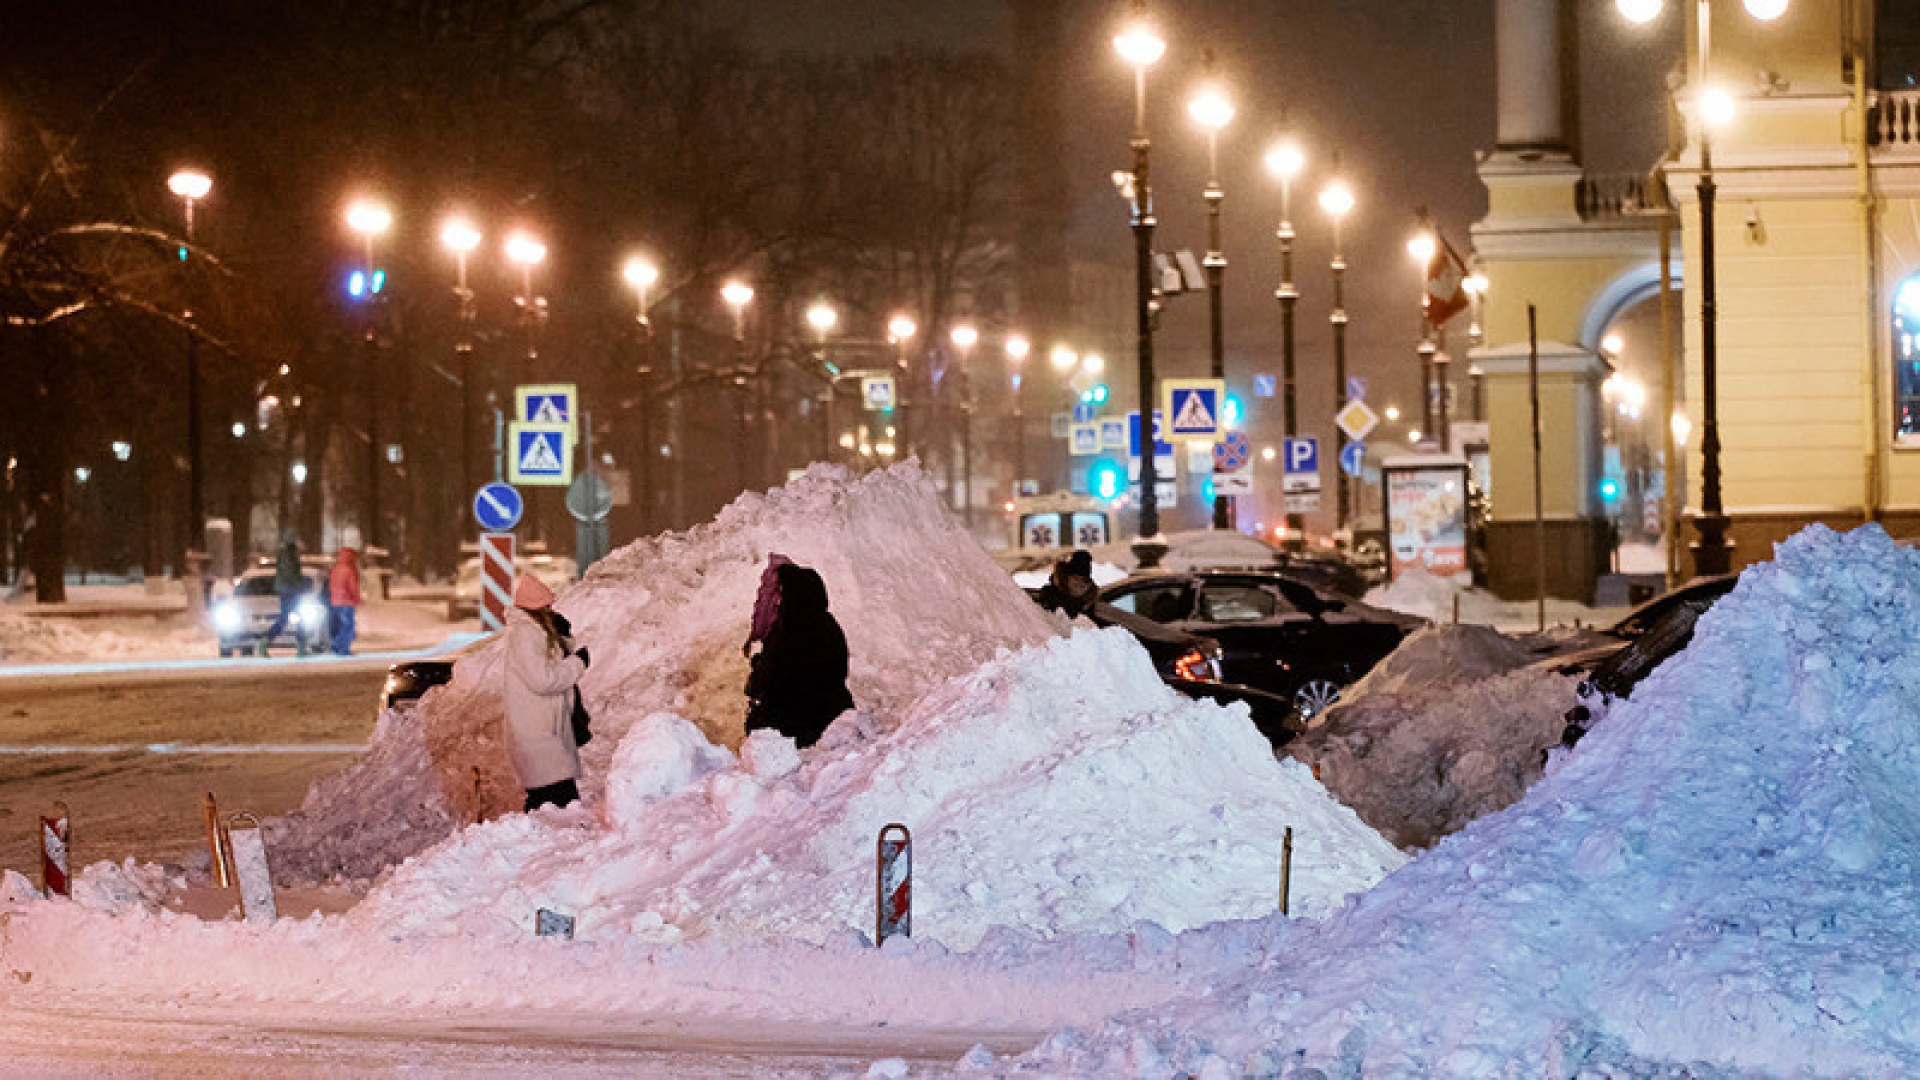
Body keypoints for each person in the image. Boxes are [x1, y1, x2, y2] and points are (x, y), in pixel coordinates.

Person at [503, 573, 590, 811]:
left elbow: (551, 662)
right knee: (556, 804)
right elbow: (544, 680)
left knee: (552, 804)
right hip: (539, 736)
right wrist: (578, 663)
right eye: (547, 606)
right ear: (537, 609)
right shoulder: (526, 636)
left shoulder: (534, 633)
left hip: (545, 733)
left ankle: (538, 842)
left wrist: (565, 639)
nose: (552, 610)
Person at [744, 562, 853, 749]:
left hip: (791, 728)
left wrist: (756, 665)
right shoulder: (829, 625)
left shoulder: (784, 633)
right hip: (832, 716)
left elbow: (761, 684)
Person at [260, 539, 303, 652]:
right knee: (298, 618)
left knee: (287, 619)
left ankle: (265, 641)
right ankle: (302, 646)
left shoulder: (284, 560)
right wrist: (299, 587)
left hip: (287, 592)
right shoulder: (291, 561)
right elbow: (293, 577)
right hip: (291, 593)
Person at [1035, 549, 1099, 618]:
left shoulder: (1089, 603)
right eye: (1075, 578)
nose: (1080, 583)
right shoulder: (1050, 594)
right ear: (1066, 578)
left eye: (1084, 580)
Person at [327, 547, 361, 655]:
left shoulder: (335, 569)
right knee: (347, 627)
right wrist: (356, 599)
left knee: (339, 626)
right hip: (346, 602)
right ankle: (343, 648)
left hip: (335, 602)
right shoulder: (348, 570)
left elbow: (331, 585)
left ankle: (336, 646)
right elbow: (353, 587)